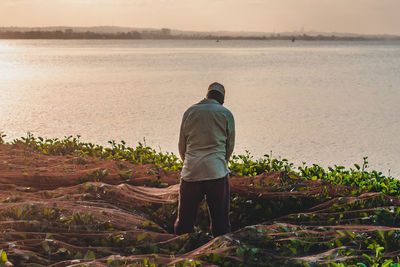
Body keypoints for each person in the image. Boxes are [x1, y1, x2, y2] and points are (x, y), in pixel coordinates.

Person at [174, 82, 235, 237]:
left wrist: (188, 163)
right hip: (216, 173)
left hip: (191, 172)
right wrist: (222, 164)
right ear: (222, 99)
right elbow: (229, 146)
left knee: (185, 222)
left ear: (207, 95)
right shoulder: (225, 113)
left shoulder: (190, 112)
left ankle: (182, 253)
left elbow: (182, 145)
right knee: (220, 222)